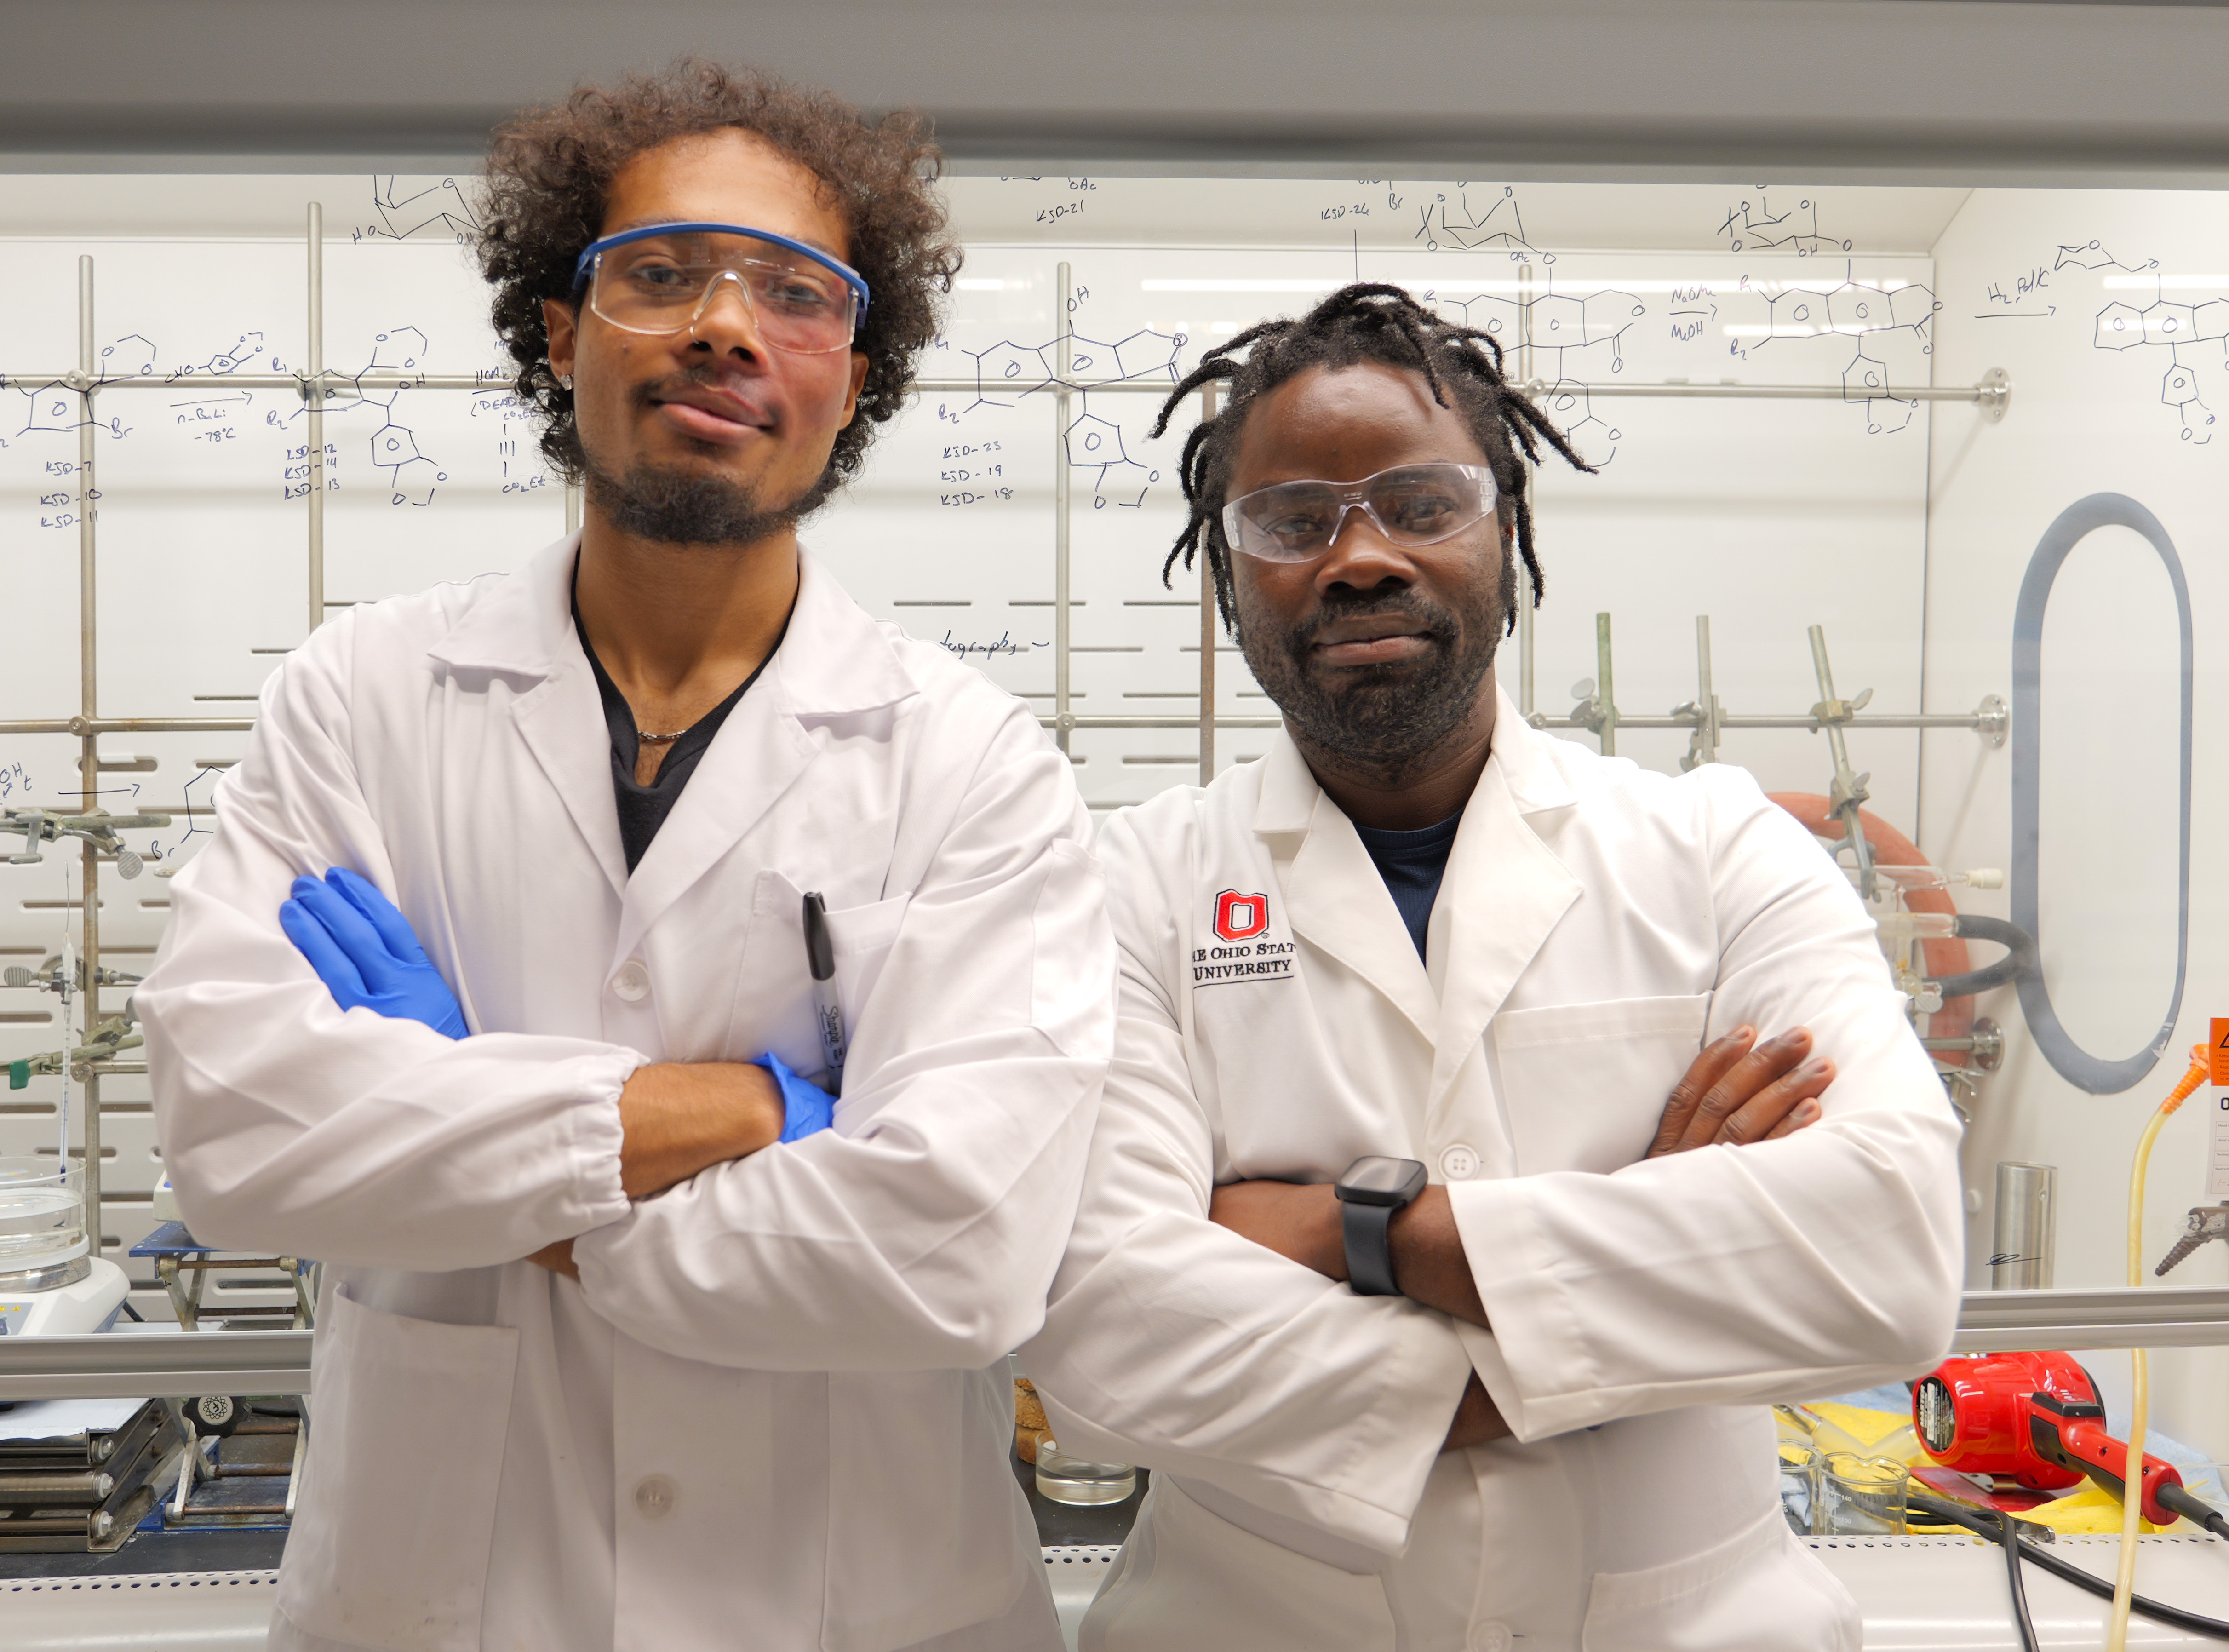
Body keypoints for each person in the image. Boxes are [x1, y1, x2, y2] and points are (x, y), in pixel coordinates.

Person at [139, 63, 1113, 1652]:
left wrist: (466, 1131)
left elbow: (959, 1257)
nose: (724, 326)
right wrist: (739, 1112)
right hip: (450, 1603)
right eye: (657, 275)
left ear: (850, 377)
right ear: (559, 337)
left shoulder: (969, 760)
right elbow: (236, 1135)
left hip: (864, 1608)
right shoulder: (363, 699)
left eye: (795, 294)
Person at [1019, 284, 1964, 1652]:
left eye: (1420, 503)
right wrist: (1652, 1274)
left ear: (1505, 535)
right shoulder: (1132, 889)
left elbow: (1887, 1255)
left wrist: (1369, 1234)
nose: (1359, 557)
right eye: (1290, 523)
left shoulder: (1711, 849)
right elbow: (1102, 1337)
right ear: (1228, 579)